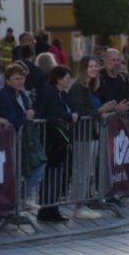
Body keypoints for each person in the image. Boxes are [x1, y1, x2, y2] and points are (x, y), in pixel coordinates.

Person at [68, 55, 116, 220]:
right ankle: (78, 206)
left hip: (92, 134)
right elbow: (80, 112)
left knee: (87, 172)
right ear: (83, 69)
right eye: (90, 66)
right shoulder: (77, 88)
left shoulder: (88, 88)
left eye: (96, 66)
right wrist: (100, 111)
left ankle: (82, 204)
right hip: (82, 136)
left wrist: (100, 113)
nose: (94, 69)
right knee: (81, 171)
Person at [0, 63, 44, 210]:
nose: (20, 81)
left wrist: (32, 113)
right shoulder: (4, 96)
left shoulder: (22, 94)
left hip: (25, 139)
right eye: (16, 79)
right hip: (10, 140)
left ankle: (22, 197)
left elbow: (30, 111)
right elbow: (11, 118)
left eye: (22, 78)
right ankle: (13, 205)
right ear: (8, 81)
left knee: (38, 164)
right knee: (14, 172)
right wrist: (25, 116)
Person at [37, 65, 77, 223]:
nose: (68, 81)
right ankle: (47, 209)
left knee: (57, 174)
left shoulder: (62, 94)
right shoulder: (49, 92)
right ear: (58, 78)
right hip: (51, 138)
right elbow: (53, 112)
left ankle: (52, 208)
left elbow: (70, 108)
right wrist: (69, 116)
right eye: (67, 78)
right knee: (51, 174)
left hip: (59, 138)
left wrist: (72, 114)